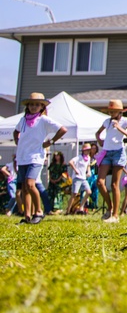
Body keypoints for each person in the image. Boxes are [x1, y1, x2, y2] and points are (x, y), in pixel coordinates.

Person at [12, 93, 67, 224]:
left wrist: (51, 141)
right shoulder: (23, 120)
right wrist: (17, 141)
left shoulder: (43, 120)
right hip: (22, 157)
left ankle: (39, 211)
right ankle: (27, 216)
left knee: (31, 184)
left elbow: (62, 129)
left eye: (37, 104)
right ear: (28, 106)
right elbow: (16, 131)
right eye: (31, 104)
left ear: (42, 106)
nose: (34, 107)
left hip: (36, 157)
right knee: (25, 187)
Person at [94, 100, 127, 224]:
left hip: (119, 153)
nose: (111, 113)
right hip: (107, 152)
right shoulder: (106, 121)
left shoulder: (126, 121)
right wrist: (99, 141)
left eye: (113, 111)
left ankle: (115, 215)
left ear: (120, 111)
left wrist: (120, 129)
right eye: (110, 111)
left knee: (114, 184)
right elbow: (97, 133)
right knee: (100, 182)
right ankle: (110, 207)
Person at [66, 144, 92, 215]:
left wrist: (89, 171)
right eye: (87, 150)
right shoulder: (78, 157)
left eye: (89, 150)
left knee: (89, 192)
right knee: (74, 194)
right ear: (83, 150)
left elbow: (88, 165)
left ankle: (81, 207)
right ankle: (68, 210)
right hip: (77, 178)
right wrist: (75, 169)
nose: (88, 151)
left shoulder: (88, 158)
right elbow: (70, 162)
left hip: (83, 178)